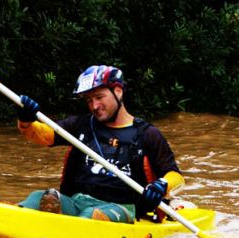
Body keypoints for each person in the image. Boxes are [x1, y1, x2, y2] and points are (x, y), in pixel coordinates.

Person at [14, 65, 185, 223]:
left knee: (91, 216)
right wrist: (26, 120)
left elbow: (176, 176)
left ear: (118, 92)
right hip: (77, 202)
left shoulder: (147, 134)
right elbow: (44, 135)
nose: (94, 106)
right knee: (38, 197)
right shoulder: (81, 125)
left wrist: (162, 185)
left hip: (121, 207)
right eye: (89, 100)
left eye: (99, 97)